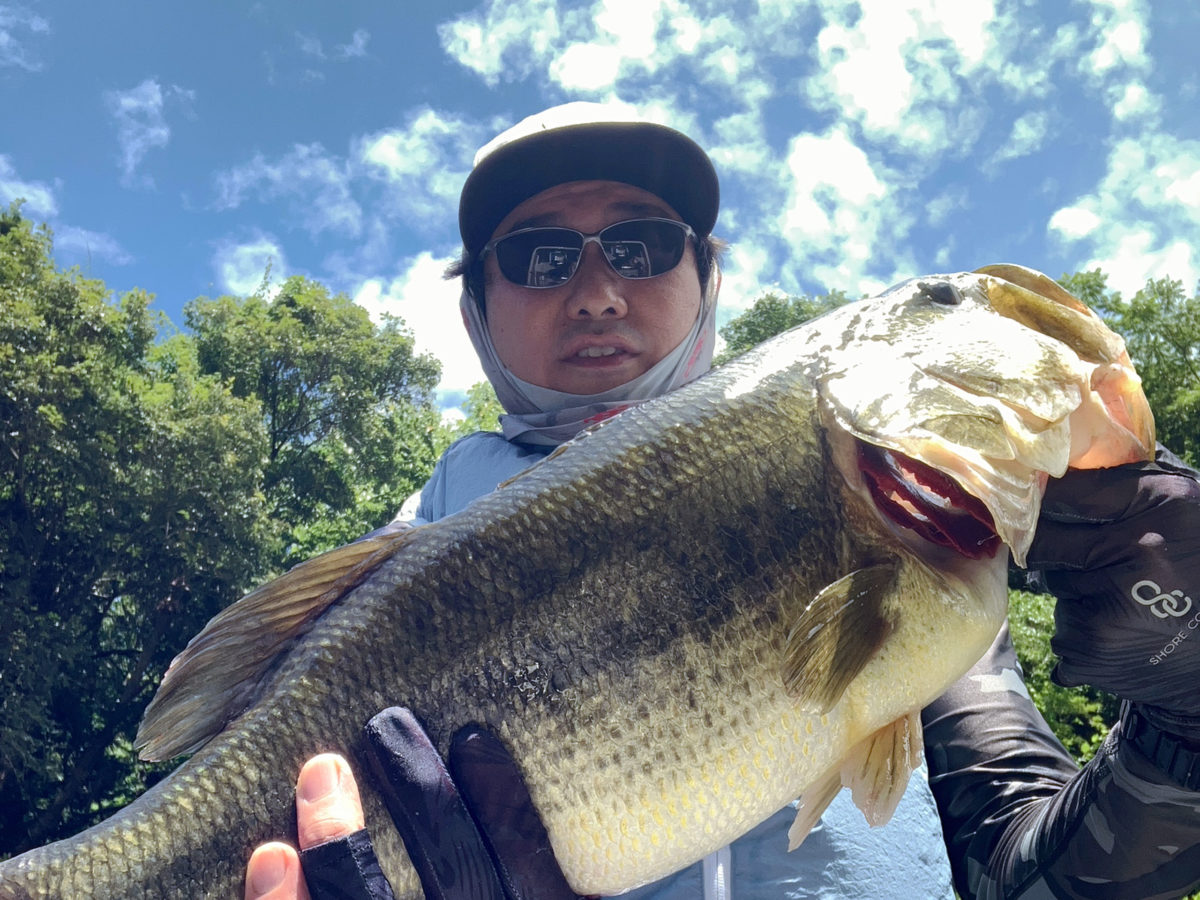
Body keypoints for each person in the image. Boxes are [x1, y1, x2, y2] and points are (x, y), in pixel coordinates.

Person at [244, 103, 1200, 900]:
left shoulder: (903, 532)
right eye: (539, 256)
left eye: (642, 243)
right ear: (475, 308)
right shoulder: (399, 571)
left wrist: (1182, 719)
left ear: (707, 278)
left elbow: (1033, 877)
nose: (596, 293)